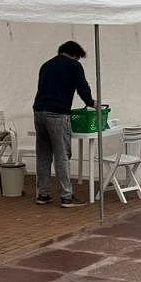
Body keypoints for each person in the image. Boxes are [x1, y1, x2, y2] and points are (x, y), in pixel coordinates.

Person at [32, 40, 95, 207]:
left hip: (39, 112)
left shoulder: (46, 65)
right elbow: (82, 87)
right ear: (74, 54)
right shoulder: (74, 66)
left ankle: (43, 194)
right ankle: (67, 196)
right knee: (62, 155)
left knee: (43, 155)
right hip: (57, 114)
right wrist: (91, 102)